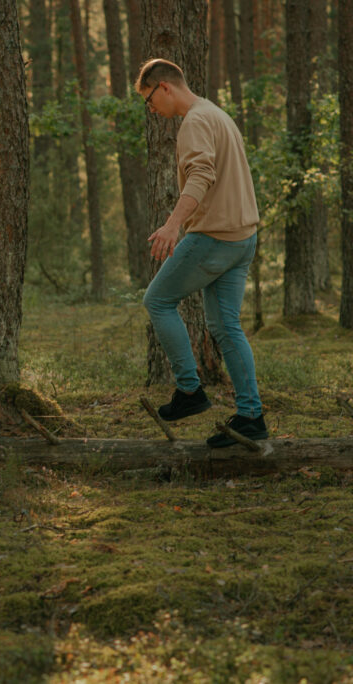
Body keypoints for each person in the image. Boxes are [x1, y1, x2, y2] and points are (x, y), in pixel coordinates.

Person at [136, 58, 267, 448]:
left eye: (148, 100)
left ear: (164, 87)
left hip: (214, 236)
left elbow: (202, 174)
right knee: (226, 327)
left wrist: (174, 224)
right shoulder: (217, 113)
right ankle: (251, 417)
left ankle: (190, 391)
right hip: (243, 239)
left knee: (157, 300)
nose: (151, 110)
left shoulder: (194, 121)